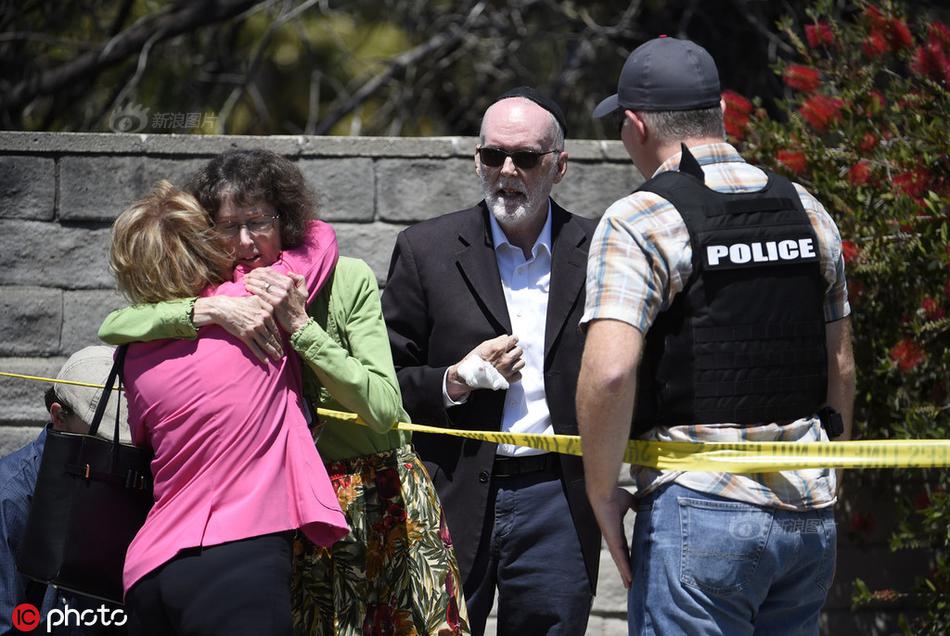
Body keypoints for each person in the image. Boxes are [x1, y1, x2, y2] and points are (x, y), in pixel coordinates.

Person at [99, 149, 468, 636]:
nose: (247, 242)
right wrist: (204, 313)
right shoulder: (219, 296)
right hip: (280, 515)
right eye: (228, 228)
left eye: (259, 222)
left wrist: (302, 329)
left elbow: (385, 408)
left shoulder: (342, 278)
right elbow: (115, 323)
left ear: (286, 217)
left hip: (372, 499)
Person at [577, 36, 856, 635]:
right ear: (722, 114)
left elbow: (610, 371)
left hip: (702, 507)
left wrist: (602, 493)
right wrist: (828, 476)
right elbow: (842, 367)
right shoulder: (806, 208)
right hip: (808, 508)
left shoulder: (639, 219)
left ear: (635, 125)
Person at [382, 87, 600, 636]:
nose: (507, 170)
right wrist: (454, 380)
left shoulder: (600, 249)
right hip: (452, 488)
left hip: (558, 497)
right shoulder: (425, 249)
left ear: (559, 165)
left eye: (525, 157)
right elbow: (385, 376)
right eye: (492, 155)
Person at [107, 179, 348, 636]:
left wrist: (198, 310)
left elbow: (143, 437)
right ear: (206, 247)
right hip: (238, 563)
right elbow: (320, 236)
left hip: (147, 571)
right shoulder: (254, 304)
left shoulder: (133, 353)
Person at [0, 345, 130, 635]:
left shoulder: (127, 477)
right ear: (58, 416)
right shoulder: (8, 496)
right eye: (103, 438)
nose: (119, 452)